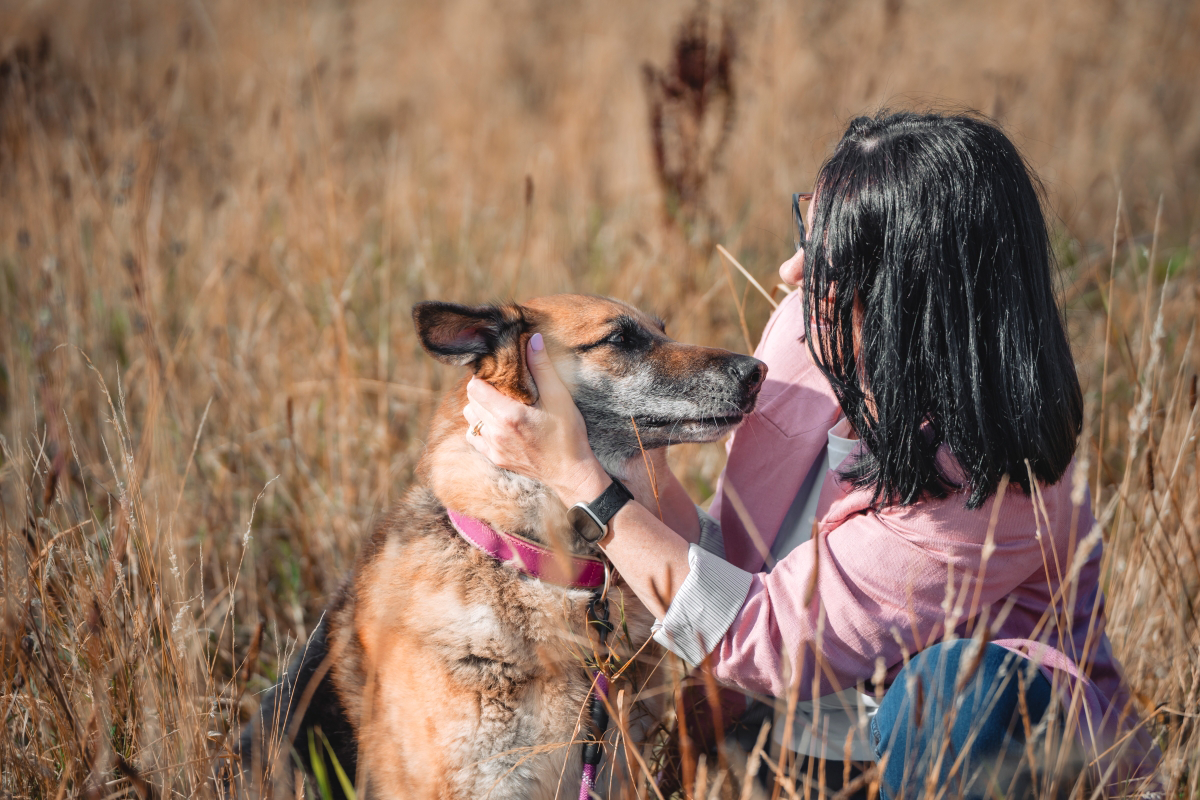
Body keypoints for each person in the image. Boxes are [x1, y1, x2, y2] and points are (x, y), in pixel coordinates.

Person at [461, 110, 1159, 799]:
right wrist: (640, 468)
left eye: (829, 254)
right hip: (791, 747)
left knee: (953, 694)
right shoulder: (810, 334)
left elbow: (764, 638)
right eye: (806, 227)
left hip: (981, 758)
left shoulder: (997, 482)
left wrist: (579, 478)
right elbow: (738, 567)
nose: (792, 269)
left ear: (910, 294)